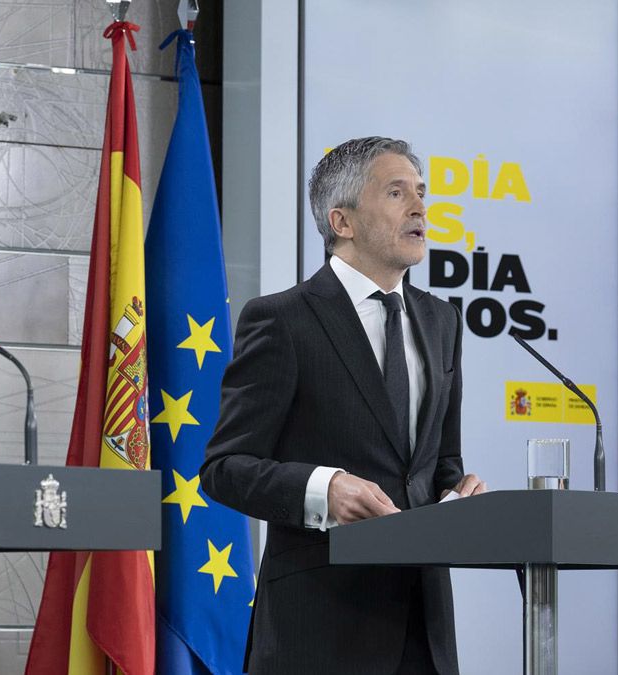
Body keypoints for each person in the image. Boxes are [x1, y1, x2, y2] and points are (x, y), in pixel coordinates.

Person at [200, 136, 487, 674]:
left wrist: (457, 497)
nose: (421, 207)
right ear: (343, 221)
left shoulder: (441, 321)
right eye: (397, 193)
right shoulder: (283, 320)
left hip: (424, 631)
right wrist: (322, 490)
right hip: (320, 625)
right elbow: (225, 468)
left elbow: (438, 461)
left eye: (421, 193)